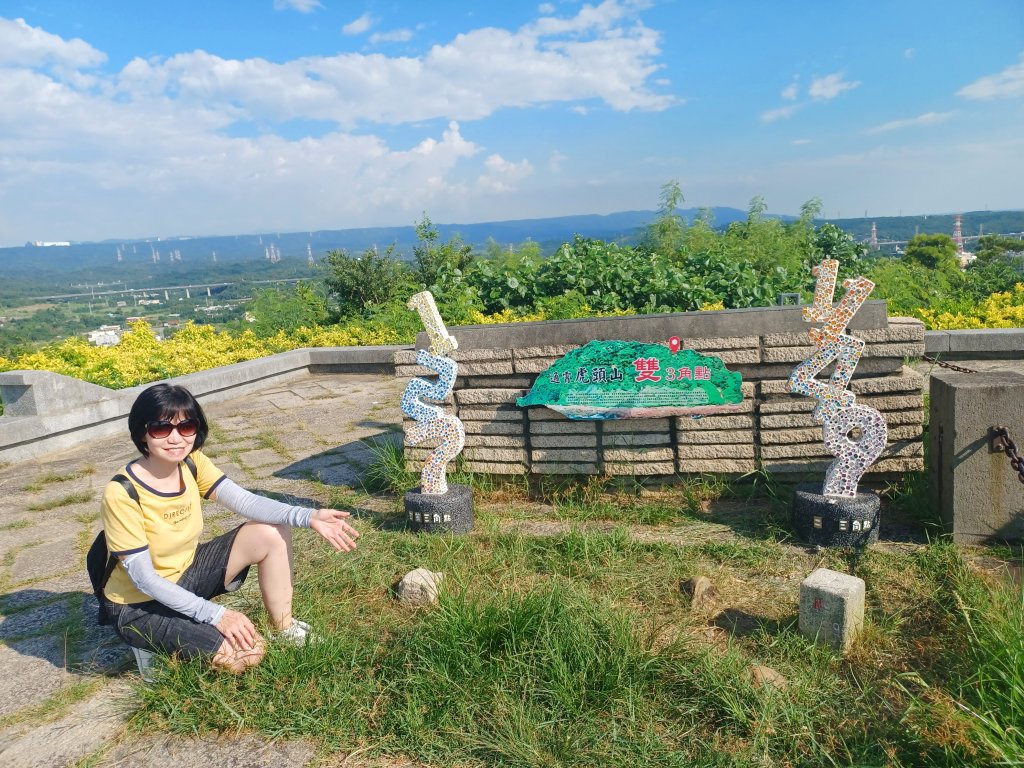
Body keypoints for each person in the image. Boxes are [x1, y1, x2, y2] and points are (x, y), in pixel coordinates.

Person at [100, 383, 359, 673]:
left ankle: (284, 628)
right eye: (161, 428)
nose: (176, 438)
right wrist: (216, 615)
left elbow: (244, 500)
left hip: (185, 575)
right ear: (142, 433)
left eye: (186, 426)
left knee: (271, 531)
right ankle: (151, 646)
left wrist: (307, 516)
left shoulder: (191, 463)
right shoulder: (122, 492)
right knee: (248, 654)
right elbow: (145, 579)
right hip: (138, 605)